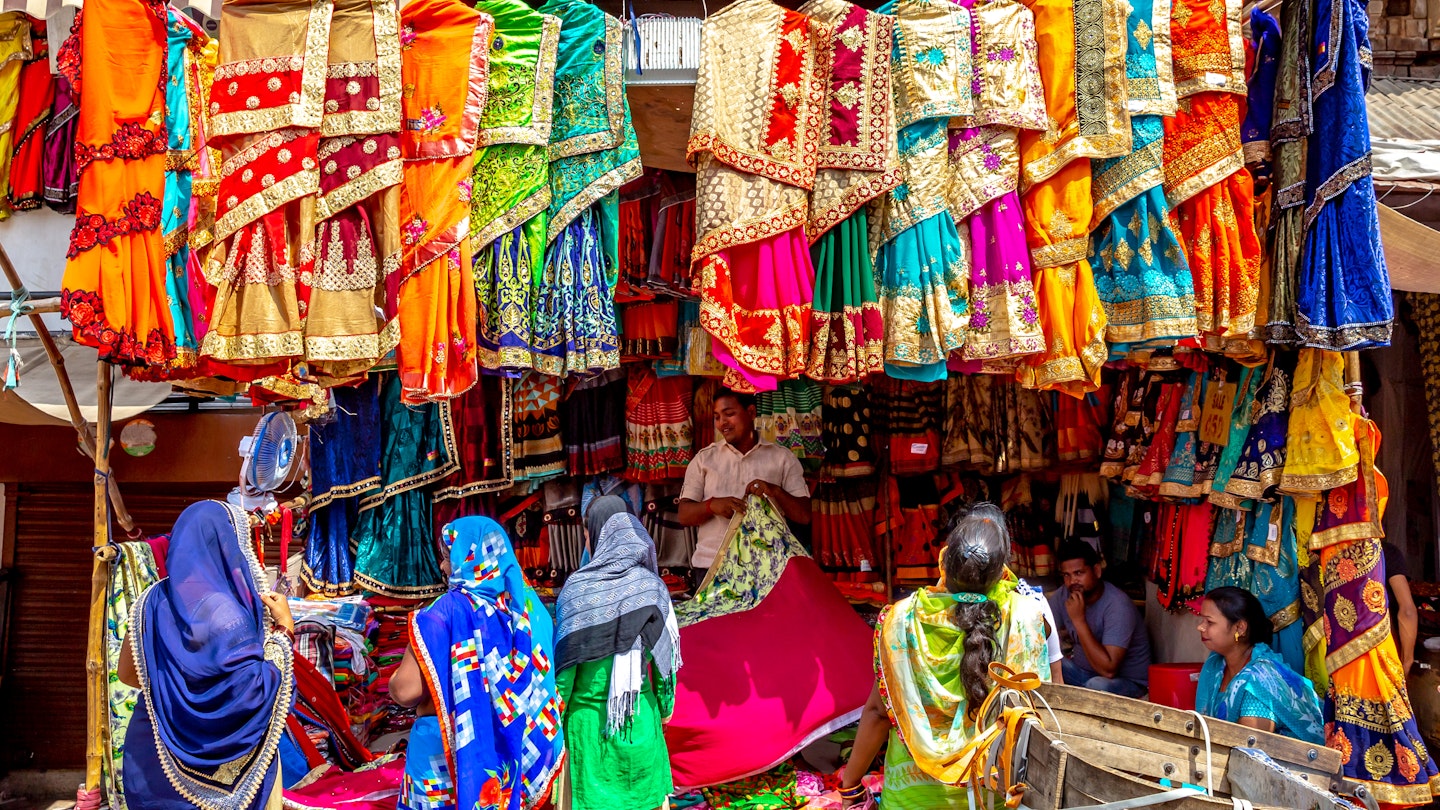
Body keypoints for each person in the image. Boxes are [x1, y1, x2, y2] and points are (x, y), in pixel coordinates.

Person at [837, 503, 1051, 810]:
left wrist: (851, 785)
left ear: (944, 560)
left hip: (911, 798)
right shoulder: (1024, 618)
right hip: (992, 795)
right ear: (1002, 569)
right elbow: (1038, 711)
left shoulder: (902, 620)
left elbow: (877, 714)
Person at [116, 500, 296, 810]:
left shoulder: (149, 602)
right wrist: (284, 630)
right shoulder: (231, 614)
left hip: (151, 762)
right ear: (230, 545)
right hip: (213, 776)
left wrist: (176, 690)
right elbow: (253, 690)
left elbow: (128, 674)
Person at [388, 516, 565, 810]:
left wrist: (396, 677)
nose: (443, 567)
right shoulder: (528, 611)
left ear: (468, 557)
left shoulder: (446, 611)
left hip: (443, 755)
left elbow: (405, 691)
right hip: (506, 754)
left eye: (447, 556)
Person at [553, 496, 682, 810]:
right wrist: (664, 711)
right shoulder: (652, 588)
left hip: (589, 733)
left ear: (596, 535)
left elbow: (565, 678)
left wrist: (554, 724)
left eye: (586, 535)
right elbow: (666, 672)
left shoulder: (576, 591)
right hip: (640, 721)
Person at [678, 389, 811, 570]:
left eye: (729, 414)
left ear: (751, 413)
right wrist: (711, 505)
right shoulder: (704, 459)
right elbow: (684, 515)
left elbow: (804, 516)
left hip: (768, 568)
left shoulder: (782, 458)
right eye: (717, 417)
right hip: (714, 566)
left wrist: (776, 492)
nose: (722, 423)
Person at [1194, 587, 1325, 744]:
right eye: (1202, 620)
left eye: (1209, 622)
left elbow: (1250, 750)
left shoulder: (1259, 682)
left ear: (1239, 628)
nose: (1200, 627)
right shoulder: (1215, 665)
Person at [1049, 541, 1151, 697]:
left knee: (1096, 685)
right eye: (1066, 575)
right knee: (1051, 661)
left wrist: (1079, 621)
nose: (1072, 582)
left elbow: (1108, 670)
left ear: (1096, 571)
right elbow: (1041, 631)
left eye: (1079, 573)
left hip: (1125, 682)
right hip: (1082, 675)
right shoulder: (1064, 595)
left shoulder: (1117, 605)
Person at [1384, 541, 1420, 675]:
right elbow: (1407, 611)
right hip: (1385, 653)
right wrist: (1406, 662)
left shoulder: (1326, 555)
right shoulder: (1385, 551)